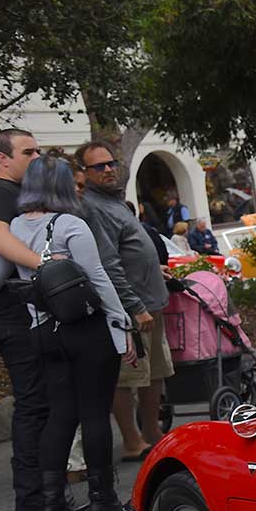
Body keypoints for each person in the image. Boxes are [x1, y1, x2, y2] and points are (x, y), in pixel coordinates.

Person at [8, 156, 134, 511]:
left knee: (60, 414)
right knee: (95, 412)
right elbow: (98, 277)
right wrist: (120, 324)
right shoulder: (70, 224)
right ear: (65, 187)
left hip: (43, 330)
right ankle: (103, 501)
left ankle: (53, 506)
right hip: (86, 328)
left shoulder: (15, 226)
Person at [74, 140, 175, 461]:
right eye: (98, 166)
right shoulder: (92, 207)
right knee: (129, 376)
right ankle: (133, 440)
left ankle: (151, 432)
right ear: (84, 172)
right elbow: (107, 263)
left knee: (155, 372)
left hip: (151, 301)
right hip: (131, 308)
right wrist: (134, 306)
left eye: (110, 163)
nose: (108, 170)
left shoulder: (114, 201)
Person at [0, 128, 50, 511]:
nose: (36, 157)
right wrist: (46, 265)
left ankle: (36, 499)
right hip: (7, 313)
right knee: (34, 402)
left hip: (8, 311)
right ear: (2, 159)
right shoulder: (1, 192)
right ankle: (33, 502)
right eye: (28, 151)